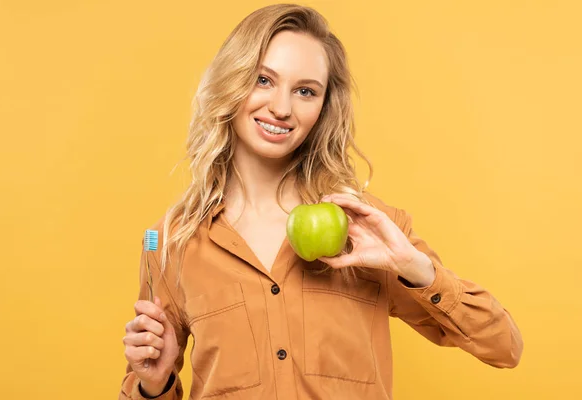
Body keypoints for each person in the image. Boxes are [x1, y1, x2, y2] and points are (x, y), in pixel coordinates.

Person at [119, 4, 523, 400]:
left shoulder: (368, 227)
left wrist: (414, 268)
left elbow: (504, 347)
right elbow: (149, 378)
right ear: (231, 81)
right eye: (263, 80)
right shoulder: (172, 241)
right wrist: (152, 387)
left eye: (305, 91)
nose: (281, 107)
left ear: (323, 108)